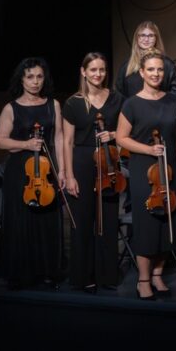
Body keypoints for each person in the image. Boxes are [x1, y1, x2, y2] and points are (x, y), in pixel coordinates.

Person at [116, 52, 176, 299]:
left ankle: (158, 275)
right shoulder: (131, 104)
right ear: (142, 72)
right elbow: (121, 138)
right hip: (143, 169)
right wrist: (148, 149)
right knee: (147, 224)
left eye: (160, 69)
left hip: (170, 168)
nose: (156, 74)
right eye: (151, 69)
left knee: (168, 222)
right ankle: (143, 279)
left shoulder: (174, 101)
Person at [0, 58, 65, 288]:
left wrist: (62, 170)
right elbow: (1, 141)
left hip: (45, 169)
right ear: (22, 80)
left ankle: (48, 271)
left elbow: (59, 138)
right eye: (30, 77)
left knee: (46, 221)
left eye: (39, 76)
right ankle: (20, 273)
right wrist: (26, 144)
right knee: (20, 222)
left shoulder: (53, 105)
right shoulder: (11, 108)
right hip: (20, 173)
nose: (35, 82)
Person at [62, 52, 124, 291]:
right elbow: (67, 142)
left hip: (108, 162)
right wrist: (69, 176)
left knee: (108, 219)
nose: (98, 74)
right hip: (81, 163)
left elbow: (126, 131)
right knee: (83, 220)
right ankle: (83, 275)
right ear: (83, 71)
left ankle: (107, 275)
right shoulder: (73, 103)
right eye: (93, 70)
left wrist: (114, 134)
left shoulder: (117, 99)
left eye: (102, 70)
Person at [117, 21, 176, 98]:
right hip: (133, 106)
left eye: (151, 36)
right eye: (142, 35)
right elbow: (119, 96)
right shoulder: (126, 66)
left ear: (156, 38)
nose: (146, 39)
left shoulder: (167, 64)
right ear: (137, 38)